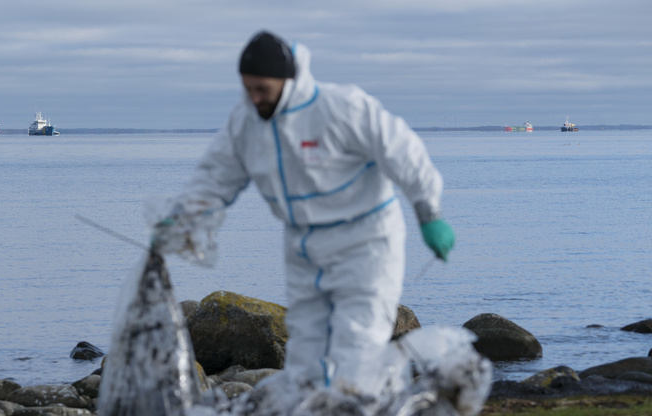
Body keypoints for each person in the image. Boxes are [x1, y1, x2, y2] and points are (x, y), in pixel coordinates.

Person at [153, 30, 454, 393]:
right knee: (307, 352)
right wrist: (184, 217)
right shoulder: (246, 124)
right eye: (248, 88)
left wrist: (429, 212)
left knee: (358, 343)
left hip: (366, 241)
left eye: (261, 89)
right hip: (304, 245)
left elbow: (404, 153)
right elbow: (215, 177)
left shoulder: (341, 108)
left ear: (287, 80)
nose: (254, 97)